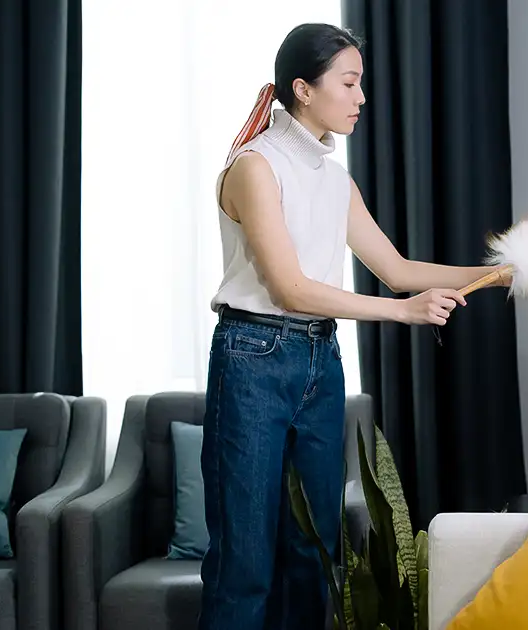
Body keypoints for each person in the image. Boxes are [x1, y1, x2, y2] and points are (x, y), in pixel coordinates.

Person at [199, 23, 507, 630]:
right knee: (245, 561)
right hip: (253, 358)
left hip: (320, 358)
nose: (362, 97)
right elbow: (289, 288)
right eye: (349, 82)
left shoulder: (335, 178)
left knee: (314, 553)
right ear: (303, 90)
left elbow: (395, 269)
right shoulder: (255, 167)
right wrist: (407, 313)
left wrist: (501, 272)